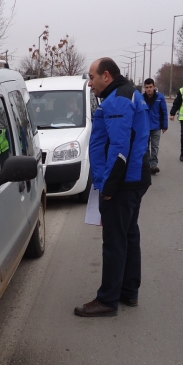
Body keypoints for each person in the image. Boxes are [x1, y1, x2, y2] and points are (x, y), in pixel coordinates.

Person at [75, 57, 151, 318]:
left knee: (115, 240)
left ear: (106, 75)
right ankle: (129, 291)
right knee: (129, 234)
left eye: (92, 77)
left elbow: (119, 148)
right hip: (133, 179)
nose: (90, 82)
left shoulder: (118, 99)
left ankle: (107, 300)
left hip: (123, 182)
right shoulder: (125, 94)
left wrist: (109, 186)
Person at [142, 78, 168, 174]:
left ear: (154, 87)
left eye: (150, 87)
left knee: (154, 146)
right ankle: (147, 164)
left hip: (156, 126)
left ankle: (153, 165)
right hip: (144, 127)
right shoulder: (141, 98)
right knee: (145, 146)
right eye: (147, 87)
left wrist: (164, 125)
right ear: (145, 88)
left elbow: (164, 112)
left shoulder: (160, 98)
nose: (149, 89)